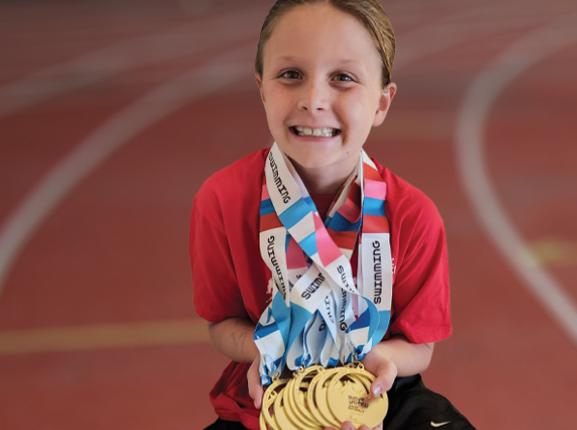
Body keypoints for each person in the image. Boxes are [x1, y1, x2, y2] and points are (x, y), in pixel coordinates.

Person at [190, 1, 475, 429]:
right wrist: (262, 350)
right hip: (267, 389)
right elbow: (221, 323)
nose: (314, 100)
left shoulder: (413, 215)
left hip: (378, 387)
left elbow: (419, 346)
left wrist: (381, 359)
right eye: (291, 75)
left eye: (343, 78)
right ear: (262, 89)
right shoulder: (222, 199)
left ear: (382, 103)